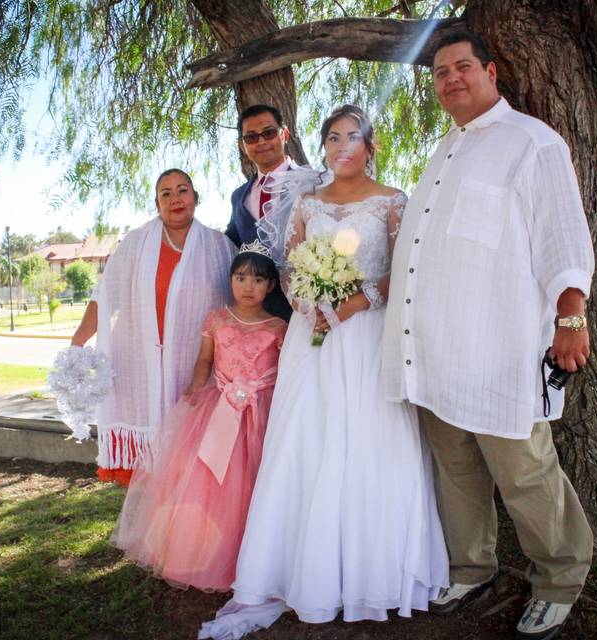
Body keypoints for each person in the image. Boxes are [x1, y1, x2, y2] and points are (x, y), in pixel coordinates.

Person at [200, 105, 448, 640]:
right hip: (311, 338)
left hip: (366, 334)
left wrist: (358, 301)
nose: (341, 146)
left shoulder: (393, 201)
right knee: (306, 442)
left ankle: (370, 572)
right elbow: (288, 267)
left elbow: (405, 271)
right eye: (332, 137)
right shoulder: (308, 202)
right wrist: (307, 299)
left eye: (351, 137)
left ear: (370, 145)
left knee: (367, 441)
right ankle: (301, 569)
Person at [382, 31, 596, 640]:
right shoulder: (443, 149)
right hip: (435, 350)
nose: (451, 79)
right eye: (440, 72)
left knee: (525, 470)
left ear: (491, 71)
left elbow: (564, 239)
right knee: (455, 468)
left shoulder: (533, 143)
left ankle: (559, 578)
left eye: (462, 67)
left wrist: (571, 317)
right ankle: (473, 566)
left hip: (497, 347)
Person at [112, 245, 286, 591]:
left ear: (270, 285)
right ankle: (200, 554)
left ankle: (254, 558)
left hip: (260, 412)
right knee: (211, 482)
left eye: (257, 279)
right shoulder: (217, 319)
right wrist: (195, 388)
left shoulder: (279, 326)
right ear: (230, 280)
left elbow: (283, 371)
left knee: (253, 481)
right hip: (217, 406)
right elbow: (205, 360)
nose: (248, 286)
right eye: (240, 277)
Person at [71, 169, 235, 486]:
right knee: (149, 473)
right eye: (166, 193)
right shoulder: (135, 244)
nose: (175, 198)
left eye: (183, 190)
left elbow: (235, 306)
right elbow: (106, 296)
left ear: (196, 198)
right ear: (157, 203)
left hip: (196, 366)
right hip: (138, 364)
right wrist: (78, 342)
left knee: (189, 464)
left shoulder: (220, 247)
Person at [225, 104, 300, 321]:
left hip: (304, 312)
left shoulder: (312, 184)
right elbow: (229, 244)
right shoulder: (239, 197)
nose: (261, 142)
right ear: (243, 145)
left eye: (268, 133)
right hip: (257, 318)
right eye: (251, 137)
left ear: (284, 134)